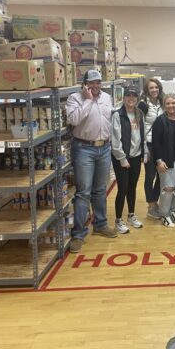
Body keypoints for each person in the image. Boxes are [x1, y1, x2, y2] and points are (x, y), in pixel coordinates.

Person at [66, 70, 117, 253]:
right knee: (83, 192)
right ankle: (78, 234)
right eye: (92, 83)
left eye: (98, 82)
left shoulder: (107, 97)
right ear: (85, 84)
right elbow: (73, 120)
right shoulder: (74, 98)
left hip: (104, 148)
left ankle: (100, 224)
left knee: (100, 189)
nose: (96, 86)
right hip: (84, 148)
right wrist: (87, 100)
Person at [110, 85, 145, 234]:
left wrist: (144, 152)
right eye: (128, 96)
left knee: (132, 187)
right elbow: (115, 140)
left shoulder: (139, 113)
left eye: (134, 96)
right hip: (122, 158)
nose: (131, 98)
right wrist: (122, 158)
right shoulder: (118, 115)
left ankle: (131, 215)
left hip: (136, 157)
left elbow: (141, 135)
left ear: (137, 98)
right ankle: (118, 220)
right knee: (122, 188)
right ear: (123, 98)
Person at [151, 94, 175, 228]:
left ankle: (173, 211)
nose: (171, 106)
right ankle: (164, 214)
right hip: (167, 160)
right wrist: (158, 161)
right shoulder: (160, 121)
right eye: (168, 103)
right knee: (168, 188)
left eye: (173, 103)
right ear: (164, 105)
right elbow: (156, 143)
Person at [138, 78, 164, 219]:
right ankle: (151, 205)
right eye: (151, 88)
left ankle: (155, 201)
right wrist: (143, 148)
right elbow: (139, 125)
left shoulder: (163, 102)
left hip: (162, 144)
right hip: (148, 144)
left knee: (162, 174)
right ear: (147, 90)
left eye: (156, 87)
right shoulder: (143, 104)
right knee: (150, 175)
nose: (154, 90)